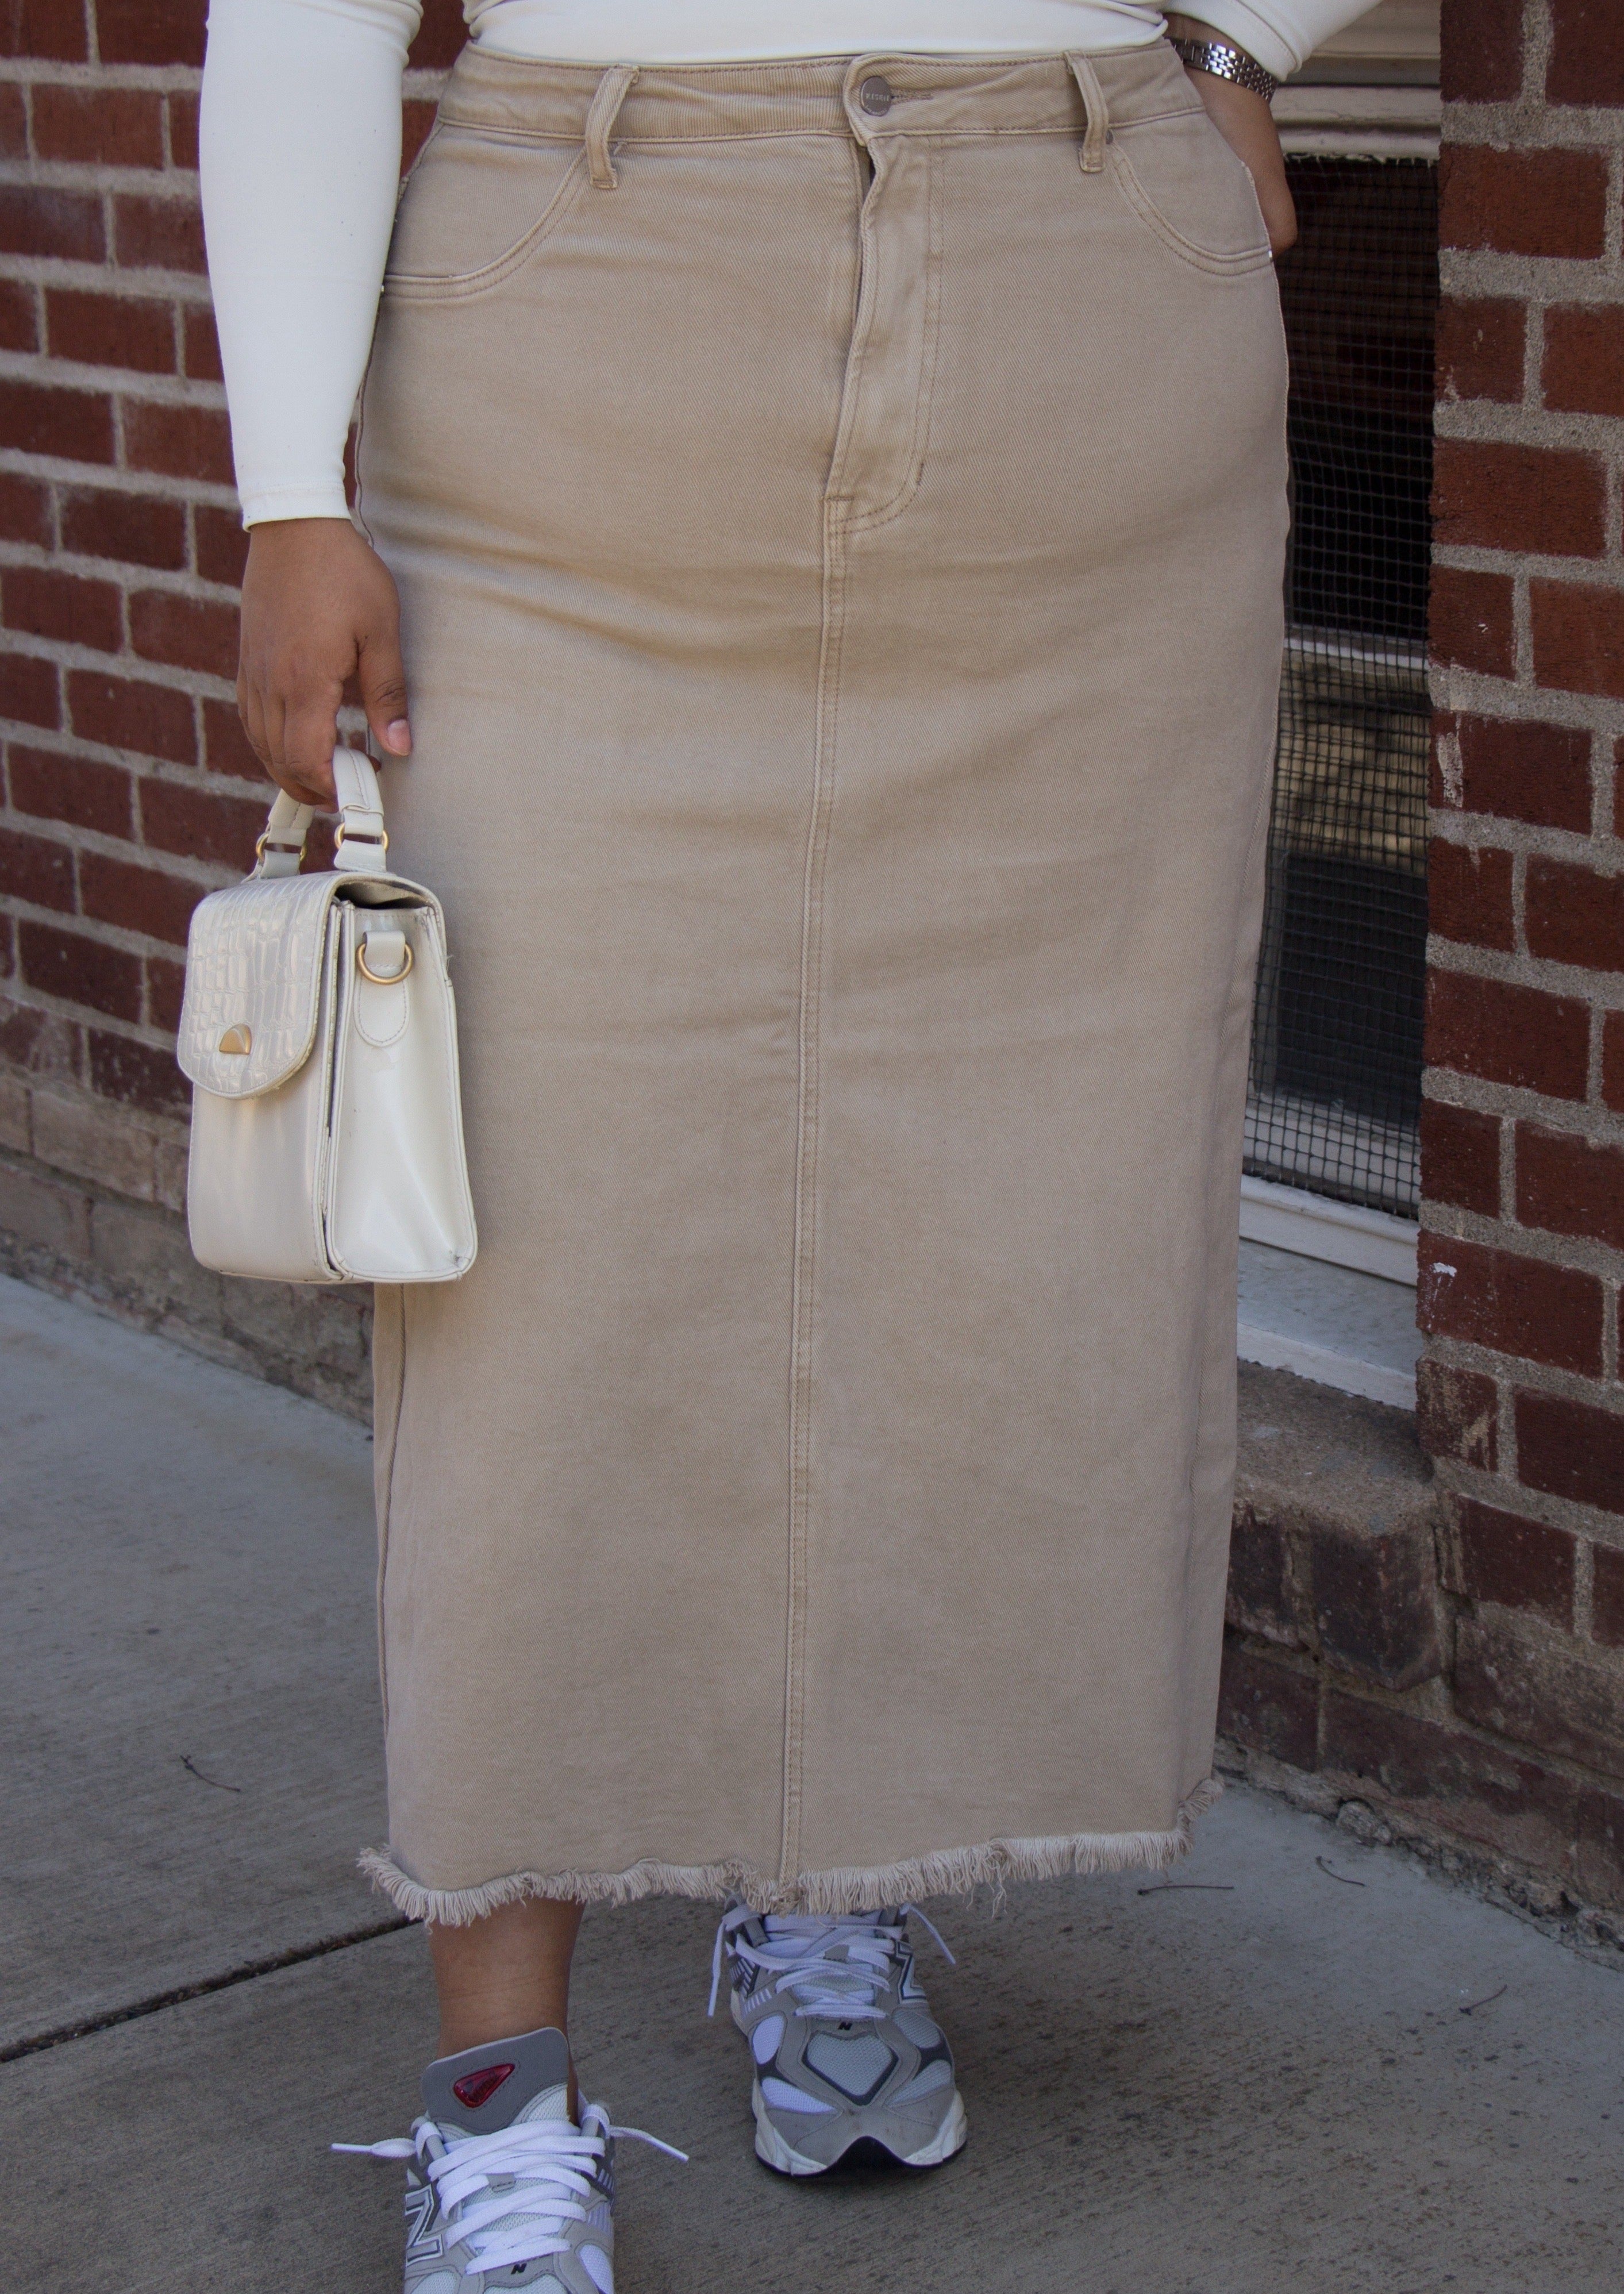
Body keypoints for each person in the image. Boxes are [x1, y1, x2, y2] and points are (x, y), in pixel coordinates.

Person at [199, 0, 1375, 2284]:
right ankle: (497, 2081)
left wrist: (1238, 39)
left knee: (991, 1179)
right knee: (538, 1234)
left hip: (1078, 314)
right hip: (586, 324)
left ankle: (827, 1884)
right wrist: (285, 487)